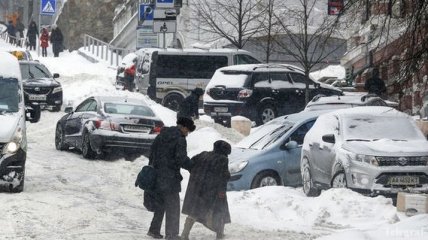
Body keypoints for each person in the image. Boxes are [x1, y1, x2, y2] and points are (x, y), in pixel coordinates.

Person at [146, 117, 196, 240]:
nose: (187, 133)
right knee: (173, 207)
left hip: (156, 176)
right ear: (183, 127)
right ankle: (172, 234)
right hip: (170, 178)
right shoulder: (180, 139)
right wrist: (193, 167)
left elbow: (151, 153)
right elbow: (181, 159)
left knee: (160, 204)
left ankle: (154, 230)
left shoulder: (161, 135)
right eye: (187, 131)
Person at [181, 140, 232, 240]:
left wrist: (197, 175)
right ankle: (219, 235)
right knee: (220, 211)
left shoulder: (204, 154)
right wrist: (222, 191)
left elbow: (191, 163)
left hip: (197, 189)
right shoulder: (222, 159)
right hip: (212, 190)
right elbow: (223, 177)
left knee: (194, 211)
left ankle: (184, 234)